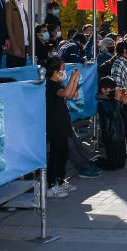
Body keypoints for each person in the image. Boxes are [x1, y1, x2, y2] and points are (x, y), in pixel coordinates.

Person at [44, 56, 79, 198]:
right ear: (55, 70)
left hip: (63, 123)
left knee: (64, 151)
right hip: (54, 125)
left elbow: (71, 95)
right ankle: (51, 185)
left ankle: (60, 180)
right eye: (62, 69)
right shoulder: (50, 85)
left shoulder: (59, 83)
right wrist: (72, 78)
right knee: (56, 153)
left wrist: (75, 80)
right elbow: (66, 93)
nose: (64, 72)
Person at [96, 75, 127, 170]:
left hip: (120, 135)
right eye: (111, 88)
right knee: (112, 166)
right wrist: (117, 101)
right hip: (111, 136)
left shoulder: (112, 99)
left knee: (121, 165)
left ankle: (105, 159)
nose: (113, 90)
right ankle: (92, 162)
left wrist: (124, 103)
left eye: (114, 88)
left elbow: (123, 114)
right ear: (103, 90)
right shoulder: (101, 102)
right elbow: (113, 114)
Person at [5, 0, 30, 67]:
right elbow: (8, 26)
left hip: (24, 46)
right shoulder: (9, 3)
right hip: (15, 48)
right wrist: (14, 46)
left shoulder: (21, 4)